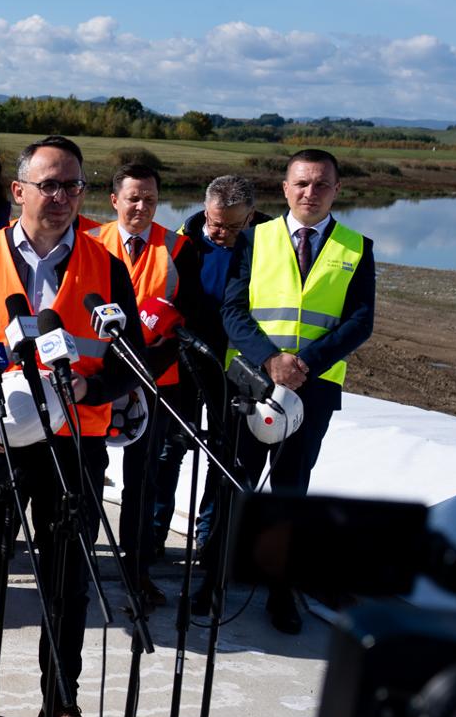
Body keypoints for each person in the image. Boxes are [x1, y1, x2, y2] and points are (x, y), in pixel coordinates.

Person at [0, 136, 143, 717]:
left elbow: (132, 363)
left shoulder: (107, 266)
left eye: (72, 185)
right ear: (18, 190)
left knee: (66, 579)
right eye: (48, 184)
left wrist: (92, 381)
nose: (61, 196)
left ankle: (62, 701)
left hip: (75, 441)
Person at [223, 148, 375, 635]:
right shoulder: (254, 239)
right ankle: (215, 578)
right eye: (302, 184)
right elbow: (232, 312)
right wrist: (271, 361)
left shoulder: (357, 247)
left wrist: (303, 364)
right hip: (250, 380)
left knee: (290, 490)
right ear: (285, 189)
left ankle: (281, 592)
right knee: (235, 482)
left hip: (314, 388)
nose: (311, 192)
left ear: (337, 190)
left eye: (322, 184)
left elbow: (360, 322)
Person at [88, 163, 207, 609]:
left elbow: (188, 320)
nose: (142, 207)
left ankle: (136, 574)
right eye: (133, 198)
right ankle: (77, 566)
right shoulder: (88, 243)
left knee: (143, 482)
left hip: (157, 383)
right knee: (87, 473)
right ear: (115, 200)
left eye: (151, 200)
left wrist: (144, 367)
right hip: (95, 381)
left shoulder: (178, 248)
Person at [179, 176, 271, 615]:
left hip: (240, 369)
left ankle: (208, 543)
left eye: (233, 227)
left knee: (227, 458)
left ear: (250, 217)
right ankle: (153, 543)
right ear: (206, 211)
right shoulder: (184, 241)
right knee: (169, 451)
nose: (222, 235)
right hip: (189, 360)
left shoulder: (266, 244)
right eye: (217, 225)